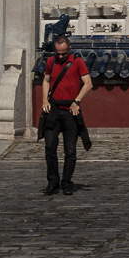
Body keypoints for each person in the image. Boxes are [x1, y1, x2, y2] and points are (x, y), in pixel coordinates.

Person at [41, 35, 92, 196]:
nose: (60, 56)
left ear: (69, 49)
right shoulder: (50, 62)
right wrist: (44, 100)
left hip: (70, 111)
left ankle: (67, 182)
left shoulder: (77, 62)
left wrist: (77, 101)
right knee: (50, 147)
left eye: (63, 53)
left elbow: (88, 83)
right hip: (54, 109)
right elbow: (46, 80)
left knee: (70, 150)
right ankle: (52, 182)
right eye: (58, 53)